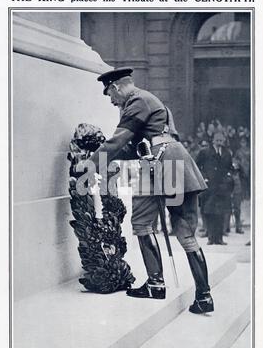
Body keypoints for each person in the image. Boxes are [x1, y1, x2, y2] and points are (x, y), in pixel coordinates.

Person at [79, 67, 214, 314]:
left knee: (142, 223)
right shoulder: (151, 101)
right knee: (185, 231)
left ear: (117, 87)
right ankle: (204, 296)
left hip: (160, 164)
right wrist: (104, 159)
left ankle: (155, 283)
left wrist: (87, 165)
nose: (111, 101)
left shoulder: (137, 101)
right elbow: (135, 147)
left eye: (110, 94)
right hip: (173, 161)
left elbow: (119, 140)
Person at [196, 132, 233, 245]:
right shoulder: (205, 152)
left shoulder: (227, 153)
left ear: (224, 141)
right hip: (209, 187)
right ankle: (211, 238)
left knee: (221, 213)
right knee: (210, 212)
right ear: (213, 141)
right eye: (217, 140)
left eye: (221, 141)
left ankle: (219, 238)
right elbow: (197, 166)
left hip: (222, 187)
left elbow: (230, 168)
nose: (219, 143)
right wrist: (204, 178)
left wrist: (228, 178)